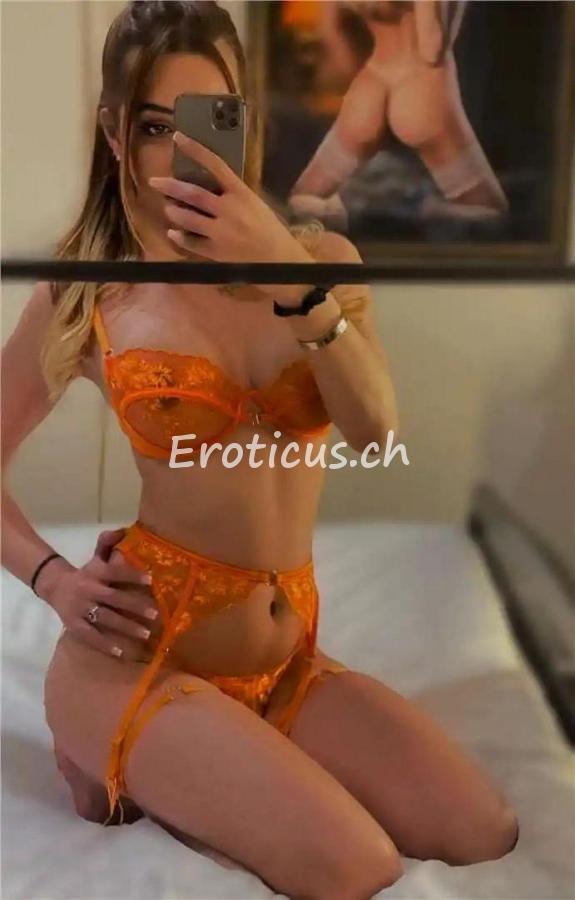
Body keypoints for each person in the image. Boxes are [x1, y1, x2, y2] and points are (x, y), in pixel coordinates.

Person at [1, 2, 518, 895]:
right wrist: (53, 580)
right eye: (155, 127)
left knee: (482, 830)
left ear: (246, 120)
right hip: (139, 656)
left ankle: (192, 763)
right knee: (359, 866)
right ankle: (107, 741)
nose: (187, 152)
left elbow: (375, 434)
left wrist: (290, 277)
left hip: (285, 663)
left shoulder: (320, 260)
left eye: (212, 118)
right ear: (115, 135)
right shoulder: (89, 288)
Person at [289, 0, 509, 227]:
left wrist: (354, 78)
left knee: (305, 196)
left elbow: (330, 31)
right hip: (420, 87)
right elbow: (431, 48)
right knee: (489, 212)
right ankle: (417, 208)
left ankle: (353, 213)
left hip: (370, 86)